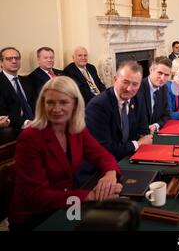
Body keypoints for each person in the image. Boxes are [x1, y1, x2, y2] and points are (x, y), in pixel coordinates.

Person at [9, 76, 122, 231]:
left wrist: (110, 174)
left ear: (75, 104)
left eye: (63, 102)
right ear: (42, 103)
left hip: (67, 205)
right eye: (50, 102)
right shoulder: (30, 137)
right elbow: (35, 196)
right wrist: (91, 195)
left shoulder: (76, 129)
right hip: (35, 216)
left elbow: (102, 155)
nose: (56, 109)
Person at [85, 61, 152, 162]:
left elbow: (143, 130)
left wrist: (142, 139)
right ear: (115, 79)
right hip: (103, 164)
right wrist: (137, 144)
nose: (129, 89)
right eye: (125, 82)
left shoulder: (138, 98)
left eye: (135, 84)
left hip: (131, 156)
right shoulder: (98, 105)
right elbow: (105, 148)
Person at [0, 47, 36, 133]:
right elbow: (3, 112)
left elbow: (34, 103)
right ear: (1, 63)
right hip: (17, 126)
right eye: (9, 59)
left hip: (35, 122)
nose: (14, 61)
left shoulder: (26, 80)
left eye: (16, 58)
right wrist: (26, 122)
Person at [138, 56, 172, 134]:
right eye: (160, 73)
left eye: (166, 75)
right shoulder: (138, 88)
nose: (162, 78)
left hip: (155, 132)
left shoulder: (164, 88)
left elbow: (167, 114)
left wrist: (156, 125)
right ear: (151, 70)